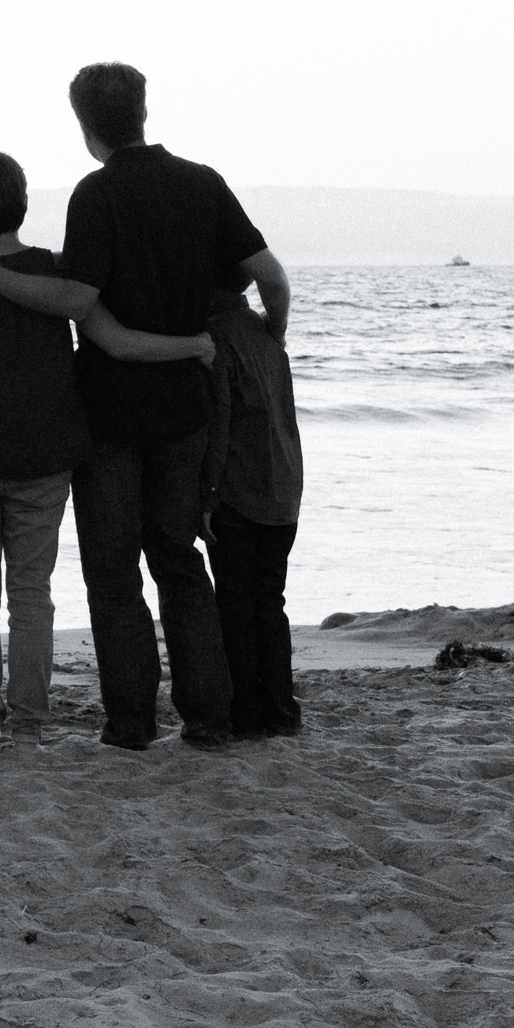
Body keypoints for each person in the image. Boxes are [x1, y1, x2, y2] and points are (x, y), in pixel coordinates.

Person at [0, 64, 288, 751]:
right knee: (180, 561)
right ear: (143, 110)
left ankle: (130, 724)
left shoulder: (95, 196)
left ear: (82, 121)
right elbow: (269, 277)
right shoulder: (202, 182)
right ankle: (207, 718)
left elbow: (72, 301)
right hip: (186, 407)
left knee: (115, 572)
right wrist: (263, 345)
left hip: (110, 414)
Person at [0, 151, 211, 749]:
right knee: (31, 598)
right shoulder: (57, 275)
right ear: (23, 203)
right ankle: (29, 728)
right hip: (43, 462)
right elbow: (115, 343)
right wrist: (191, 345)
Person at [201, 278, 305, 738]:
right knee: (269, 603)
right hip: (283, 485)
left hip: (240, 490)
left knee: (236, 607)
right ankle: (280, 710)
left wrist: (205, 494)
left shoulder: (216, 337)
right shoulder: (267, 334)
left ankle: (245, 711)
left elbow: (220, 423)